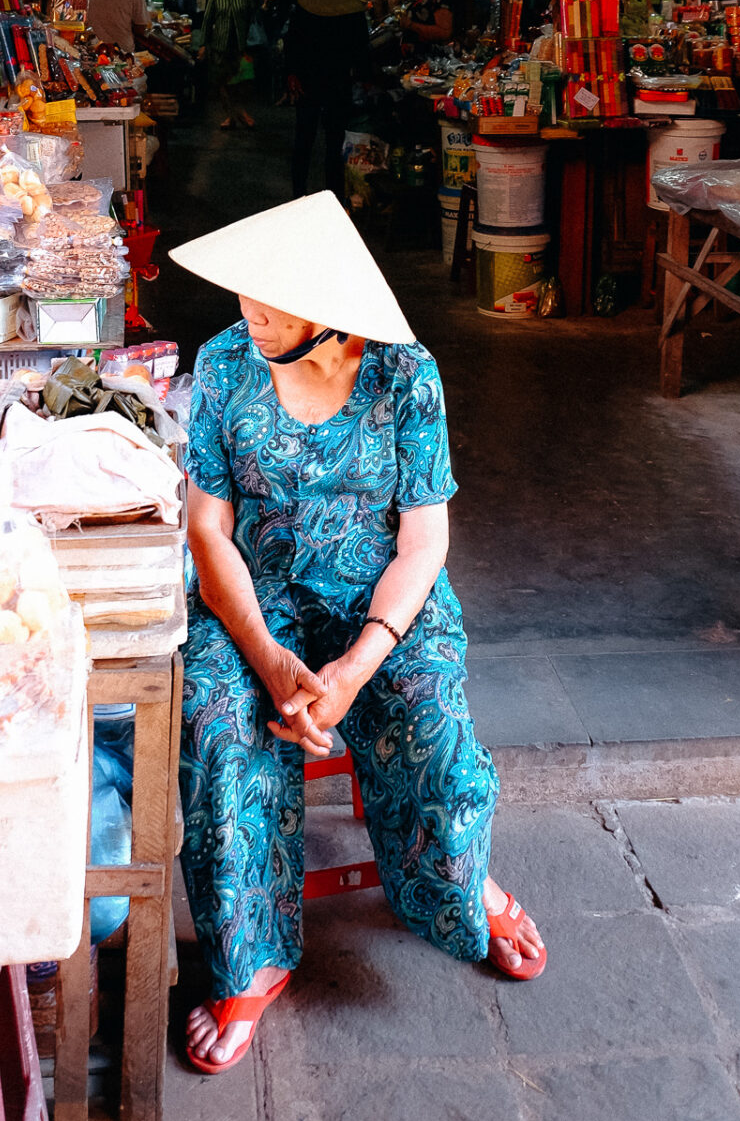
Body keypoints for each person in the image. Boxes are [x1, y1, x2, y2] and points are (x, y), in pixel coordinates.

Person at [170, 193, 546, 1076]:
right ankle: (249, 960)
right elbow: (207, 532)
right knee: (219, 730)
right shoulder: (224, 366)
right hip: (255, 602)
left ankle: (461, 883)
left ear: (333, 313)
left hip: (384, 603)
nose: (247, 312)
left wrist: (354, 665)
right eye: (244, 295)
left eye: (270, 298)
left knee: (438, 735)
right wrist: (267, 656)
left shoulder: (406, 375)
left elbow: (425, 541)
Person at [282, 0, 369, 198]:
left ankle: (298, 193)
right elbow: (361, 48)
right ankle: (334, 195)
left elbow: (292, 42)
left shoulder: (304, 3)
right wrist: (365, 76)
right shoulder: (353, 7)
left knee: (304, 138)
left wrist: (291, 74)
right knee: (335, 140)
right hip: (338, 80)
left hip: (307, 79)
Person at [196, 0, 255, 129]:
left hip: (240, 46)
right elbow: (207, 22)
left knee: (239, 83)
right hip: (219, 47)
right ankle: (231, 116)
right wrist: (203, 45)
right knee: (222, 83)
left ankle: (240, 111)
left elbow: (253, 18)